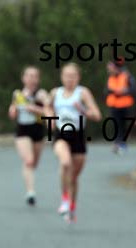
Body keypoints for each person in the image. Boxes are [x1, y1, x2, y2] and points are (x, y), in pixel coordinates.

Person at [45, 63, 101, 224]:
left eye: (73, 76)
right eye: (66, 75)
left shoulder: (82, 93)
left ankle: (72, 207)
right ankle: (64, 199)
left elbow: (96, 115)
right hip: (61, 134)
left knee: (74, 178)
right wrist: (50, 121)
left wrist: (83, 110)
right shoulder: (56, 92)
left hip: (78, 136)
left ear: (78, 77)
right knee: (65, 163)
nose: (69, 79)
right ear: (62, 77)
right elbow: (47, 107)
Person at [9, 66, 48, 206]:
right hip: (22, 131)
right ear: (23, 78)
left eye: (34, 76)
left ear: (38, 79)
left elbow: (49, 113)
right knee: (29, 161)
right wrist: (13, 110)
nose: (31, 79)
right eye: (28, 76)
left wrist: (34, 109)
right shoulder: (17, 94)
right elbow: (13, 113)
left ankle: (30, 183)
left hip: (38, 130)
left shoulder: (41, 94)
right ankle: (30, 192)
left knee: (34, 163)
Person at [105, 58, 136, 154]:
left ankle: (122, 143)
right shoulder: (110, 78)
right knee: (117, 125)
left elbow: (133, 89)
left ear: (116, 67)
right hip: (114, 105)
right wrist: (112, 91)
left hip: (125, 105)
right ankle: (118, 143)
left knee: (123, 125)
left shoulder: (126, 76)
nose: (109, 70)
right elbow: (106, 91)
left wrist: (124, 91)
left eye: (110, 68)